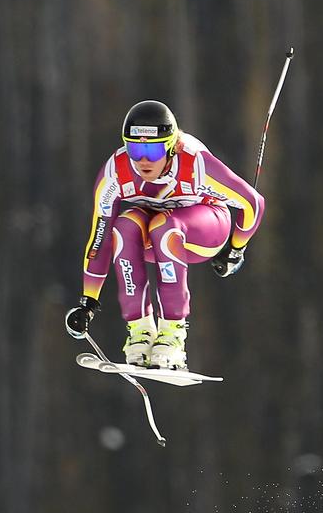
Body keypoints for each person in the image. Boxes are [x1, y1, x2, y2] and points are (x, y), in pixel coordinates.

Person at [64, 100, 265, 370]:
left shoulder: (195, 165)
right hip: (155, 232)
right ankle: (140, 332)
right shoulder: (116, 173)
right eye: (135, 149)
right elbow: (99, 240)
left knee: (164, 227)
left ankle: (173, 336)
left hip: (206, 228)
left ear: (170, 146)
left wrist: (235, 248)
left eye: (154, 149)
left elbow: (253, 203)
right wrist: (88, 302)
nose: (144, 160)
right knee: (124, 226)